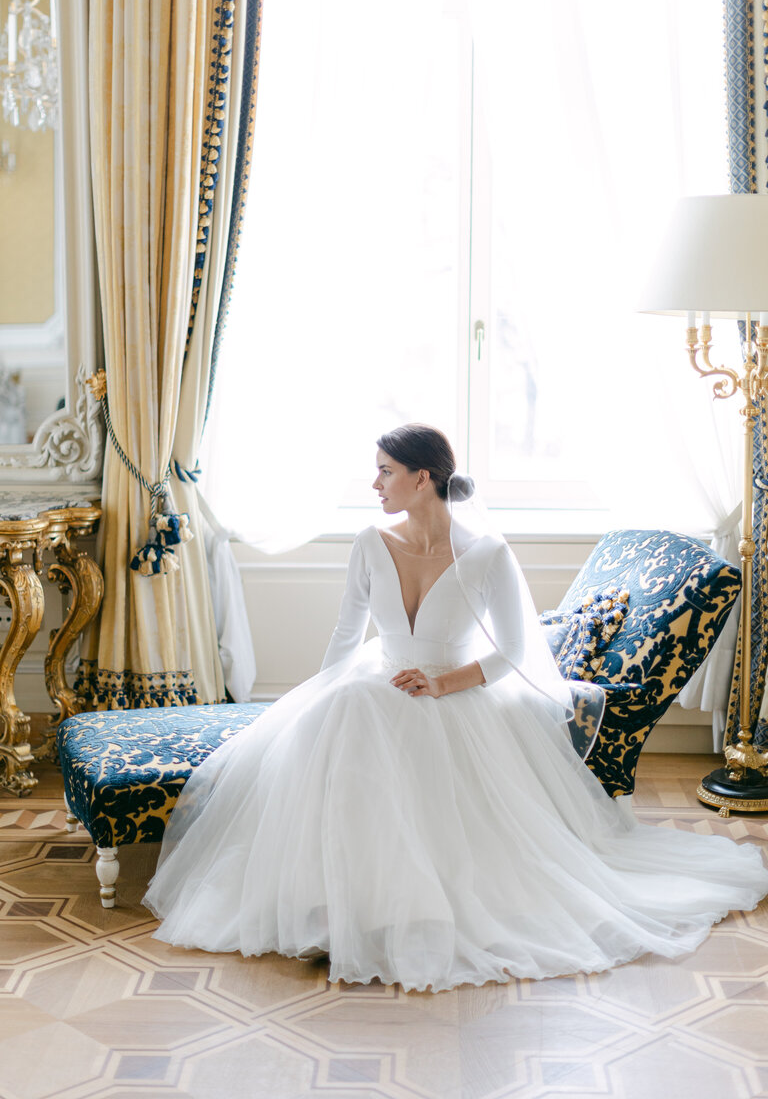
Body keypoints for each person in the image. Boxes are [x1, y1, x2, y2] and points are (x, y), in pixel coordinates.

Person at [144, 424, 768, 992]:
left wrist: (442, 685)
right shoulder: (369, 540)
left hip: (458, 692)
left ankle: (404, 905)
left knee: (369, 712)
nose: (375, 483)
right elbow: (345, 634)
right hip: (378, 681)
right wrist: (318, 694)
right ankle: (342, 901)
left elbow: (514, 653)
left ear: (423, 479)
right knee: (349, 708)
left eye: (386, 471)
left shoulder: (487, 553)